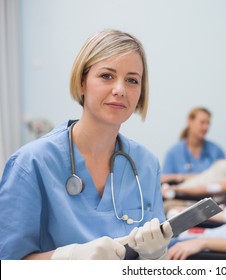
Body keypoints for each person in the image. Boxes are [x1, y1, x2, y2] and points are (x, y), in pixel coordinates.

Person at [0, 29, 172, 260]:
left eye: (132, 80)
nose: (120, 90)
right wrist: (69, 259)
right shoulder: (31, 163)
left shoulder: (146, 164)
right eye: (107, 76)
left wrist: (156, 256)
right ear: (82, 82)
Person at [161, 107, 225, 184]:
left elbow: (224, 178)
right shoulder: (174, 153)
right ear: (190, 121)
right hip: (181, 195)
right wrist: (183, 177)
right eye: (202, 122)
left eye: (208, 123)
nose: (206, 127)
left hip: (210, 195)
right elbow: (163, 180)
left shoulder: (216, 151)